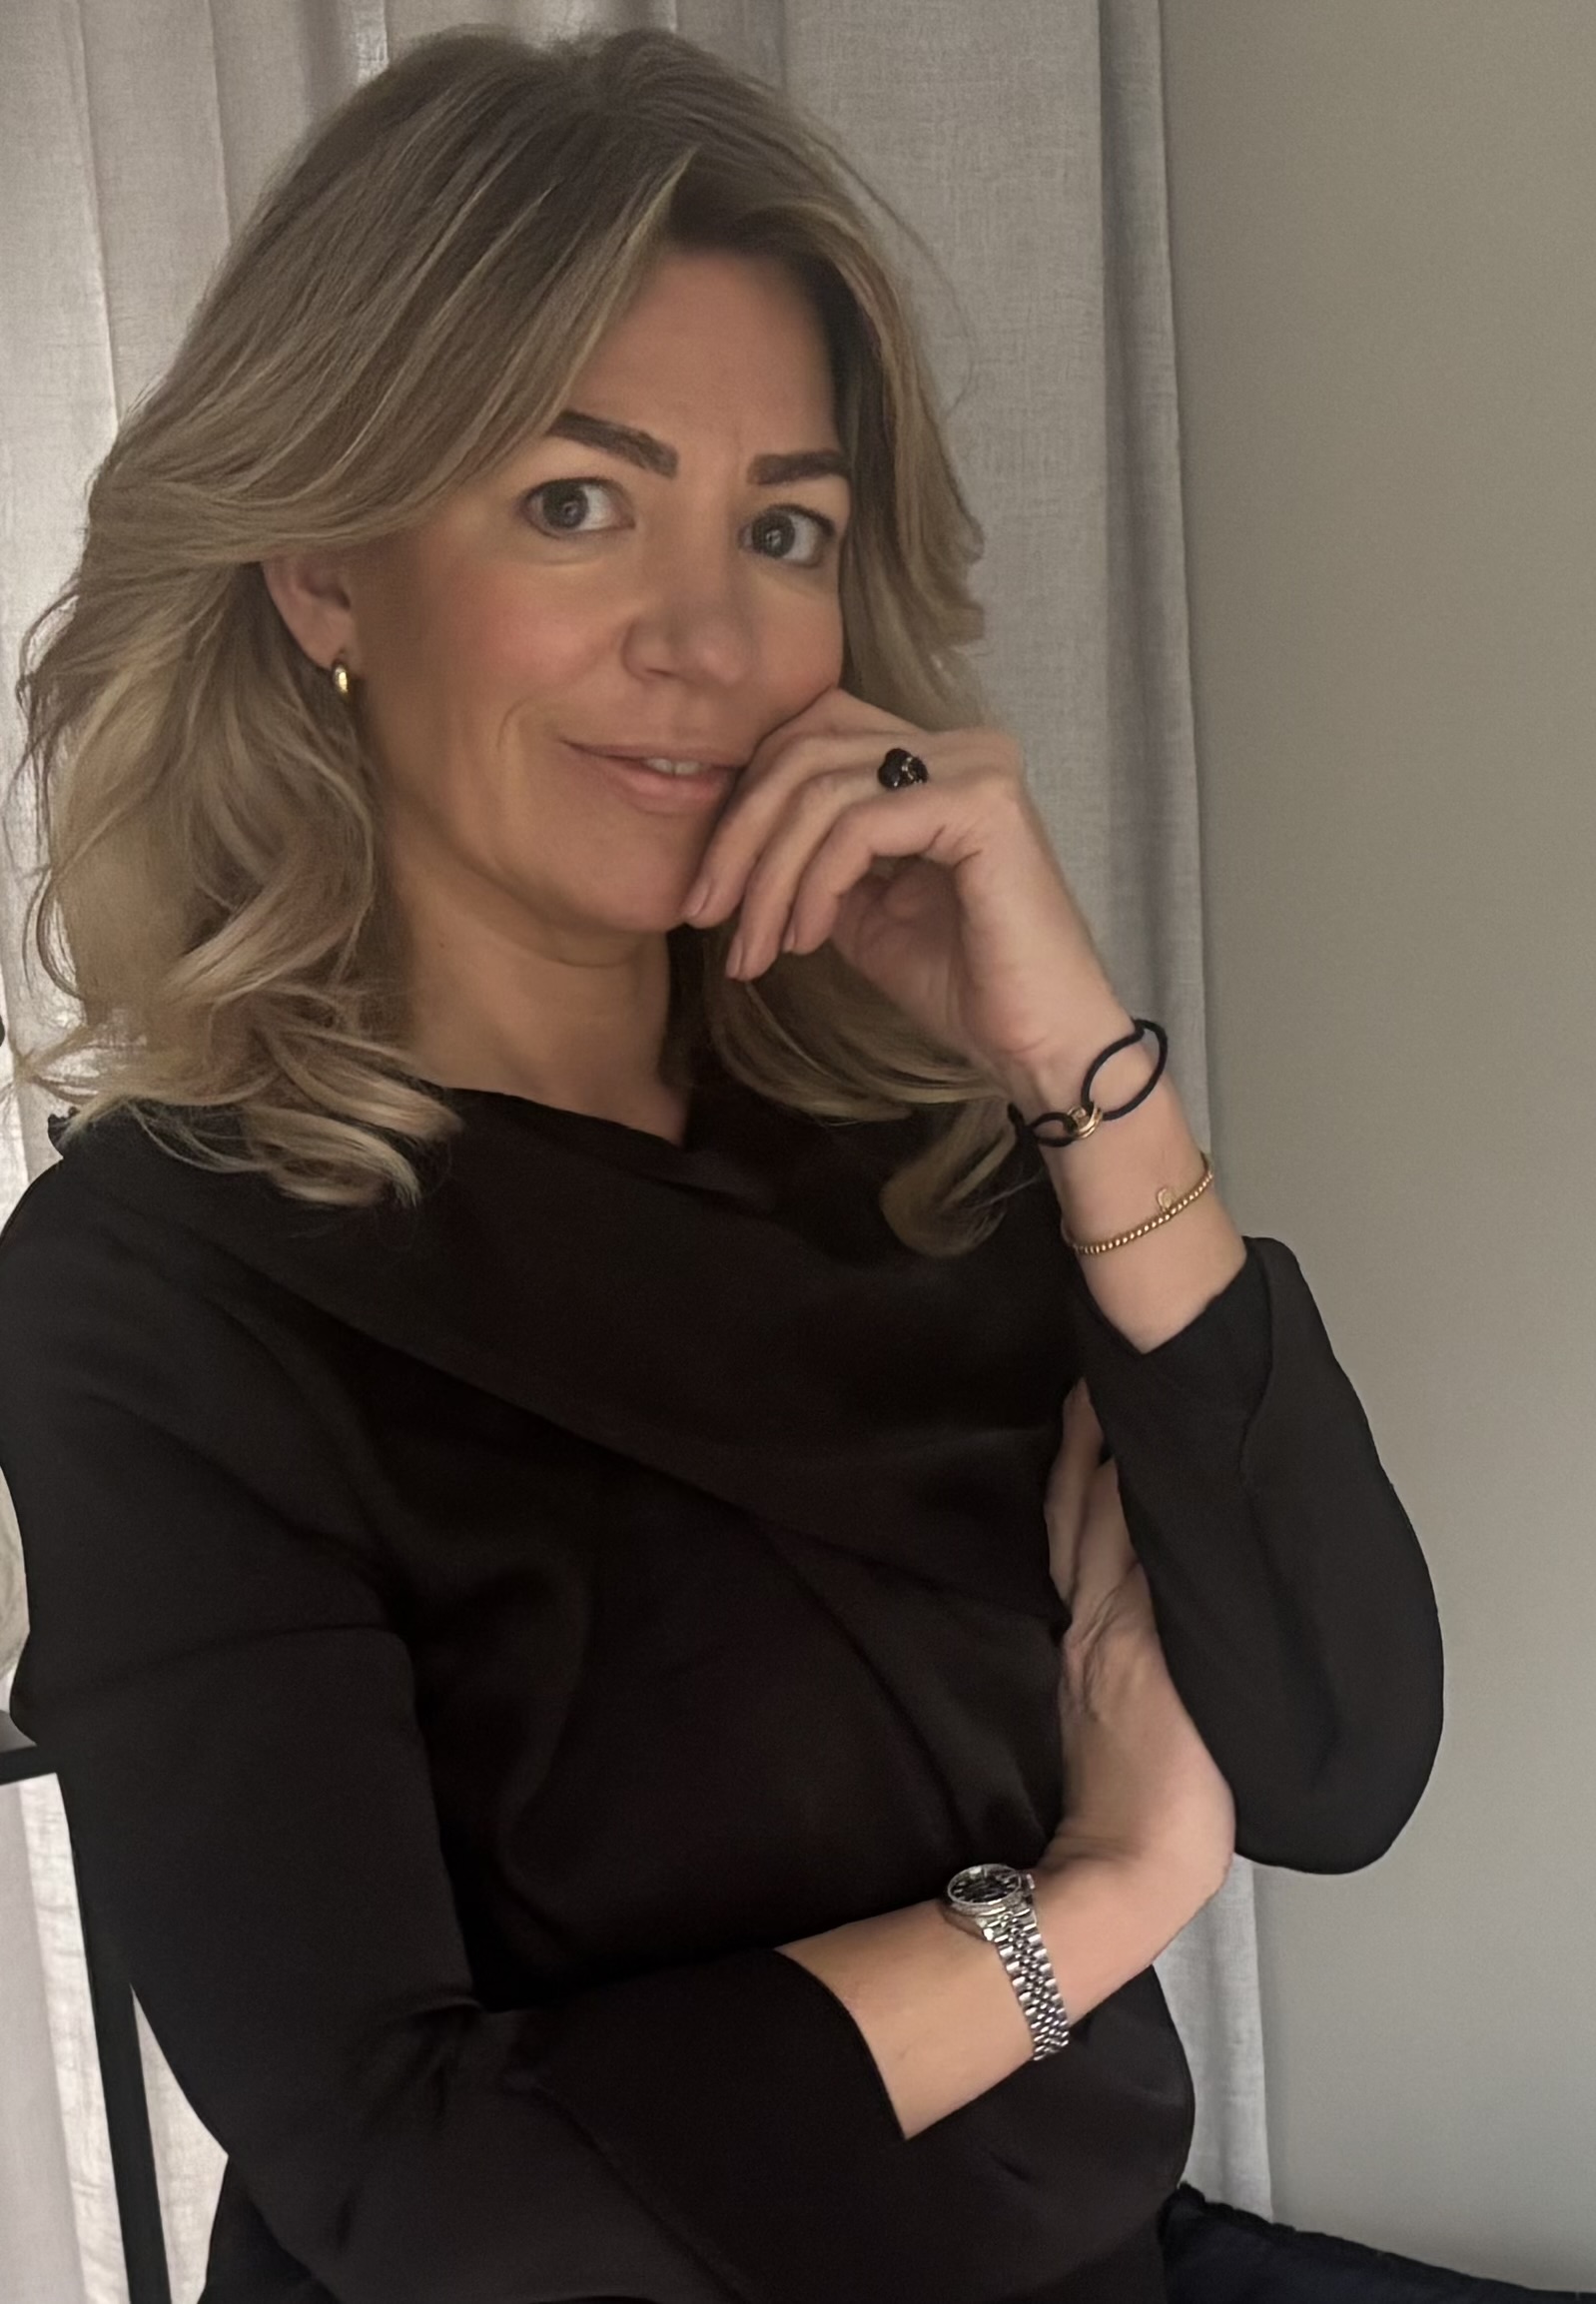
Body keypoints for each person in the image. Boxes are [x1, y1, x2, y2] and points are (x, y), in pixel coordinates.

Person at [0, 26, 1442, 2304]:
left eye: (783, 529)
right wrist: (1106, 1899)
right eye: (575, 503)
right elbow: (420, 2190)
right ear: (324, 566)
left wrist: (1077, 1060)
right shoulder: (160, 1281)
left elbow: (1338, 1757)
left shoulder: (935, 1164)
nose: (705, 641)